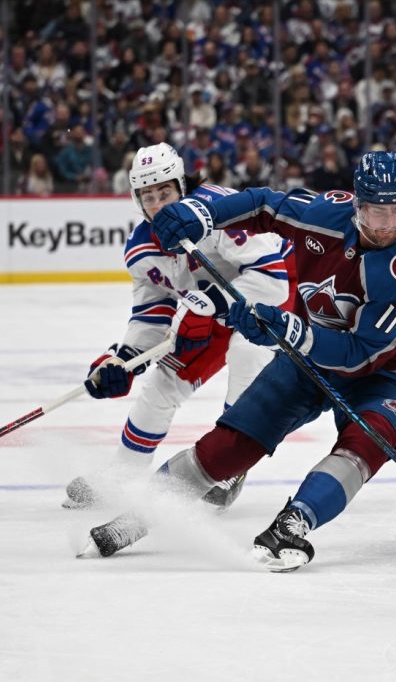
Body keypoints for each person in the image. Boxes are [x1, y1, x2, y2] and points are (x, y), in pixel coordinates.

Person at [81, 151, 396, 573]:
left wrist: (288, 328)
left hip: (385, 374)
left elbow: (361, 354)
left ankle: (295, 522)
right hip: (306, 362)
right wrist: (204, 214)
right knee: (227, 447)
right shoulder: (325, 215)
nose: (388, 225)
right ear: (357, 205)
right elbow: (264, 204)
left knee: (366, 444)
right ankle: (138, 517)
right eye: (378, 211)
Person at [64, 142, 294, 511]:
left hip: (277, 290)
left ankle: (231, 463)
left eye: (165, 192)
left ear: (182, 186)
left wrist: (209, 304)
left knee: (247, 350)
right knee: (163, 381)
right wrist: (124, 359)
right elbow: (152, 311)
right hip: (210, 308)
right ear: (137, 200)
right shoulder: (140, 247)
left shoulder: (218, 210)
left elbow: (272, 278)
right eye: (148, 196)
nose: (158, 204)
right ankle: (123, 473)